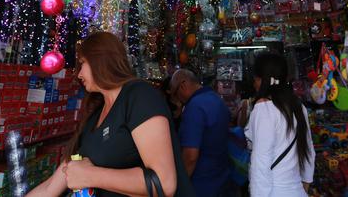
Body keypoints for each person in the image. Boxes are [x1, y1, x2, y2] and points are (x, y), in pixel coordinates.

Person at [27, 32, 194, 197]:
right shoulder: (95, 117)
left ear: (99, 61)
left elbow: (164, 184)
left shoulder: (139, 96)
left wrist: (91, 175)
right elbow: (50, 187)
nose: (79, 74)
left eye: (83, 63)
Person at [244, 52, 315, 197]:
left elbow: (260, 165)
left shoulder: (264, 109)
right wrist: (304, 188)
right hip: (297, 191)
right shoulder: (298, 106)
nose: (254, 83)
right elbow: (308, 151)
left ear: (262, 79)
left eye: (256, 78)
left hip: (273, 191)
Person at [170, 69, 230, 197]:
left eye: (175, 94)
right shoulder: (216, 99)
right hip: (221, 178)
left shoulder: (194, 107)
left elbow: (190, 156)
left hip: (202, 184)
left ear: (183, 85)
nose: (177, 99)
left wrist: (180, 187)